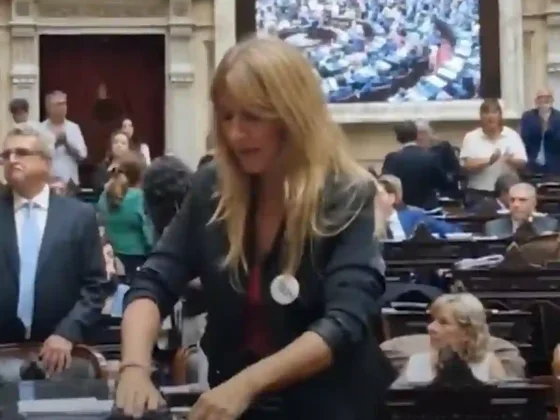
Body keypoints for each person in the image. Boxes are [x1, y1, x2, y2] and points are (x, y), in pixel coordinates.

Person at [116, 36, 393, 420]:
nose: (235, 134)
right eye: (227, 117)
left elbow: (344, 323)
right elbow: (154, 282)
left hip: (333, 407)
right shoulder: (211, 187)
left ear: (292, 116)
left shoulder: (347, 193)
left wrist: (247, 385)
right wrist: (133, 368)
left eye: (252, 117)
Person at [0, 125, 106, 374]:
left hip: (60, 355)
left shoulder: (78, 216)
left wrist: (67, 333)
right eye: (5, 155)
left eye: (21, 152)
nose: (12, 160)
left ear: (46, 163)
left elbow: (95, 286)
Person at [399, 293, 506, 383]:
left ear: (467, 332)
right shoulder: (414, 363)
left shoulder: (489, 365)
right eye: (433, 320)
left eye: (443, 322)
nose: (430, 327)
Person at [97, 151, 153, 279]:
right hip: (139, 260)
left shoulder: (105, 196)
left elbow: (101, 224)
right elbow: (148, 233)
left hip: (112, 259)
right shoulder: (140, 198)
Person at [382, 120, 448, 211]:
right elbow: (442, 183)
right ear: (416, 135)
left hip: (402, 210)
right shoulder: (431, 157)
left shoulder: (391, 159)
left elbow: (386, 185)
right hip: (429, 209)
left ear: (398, 138)